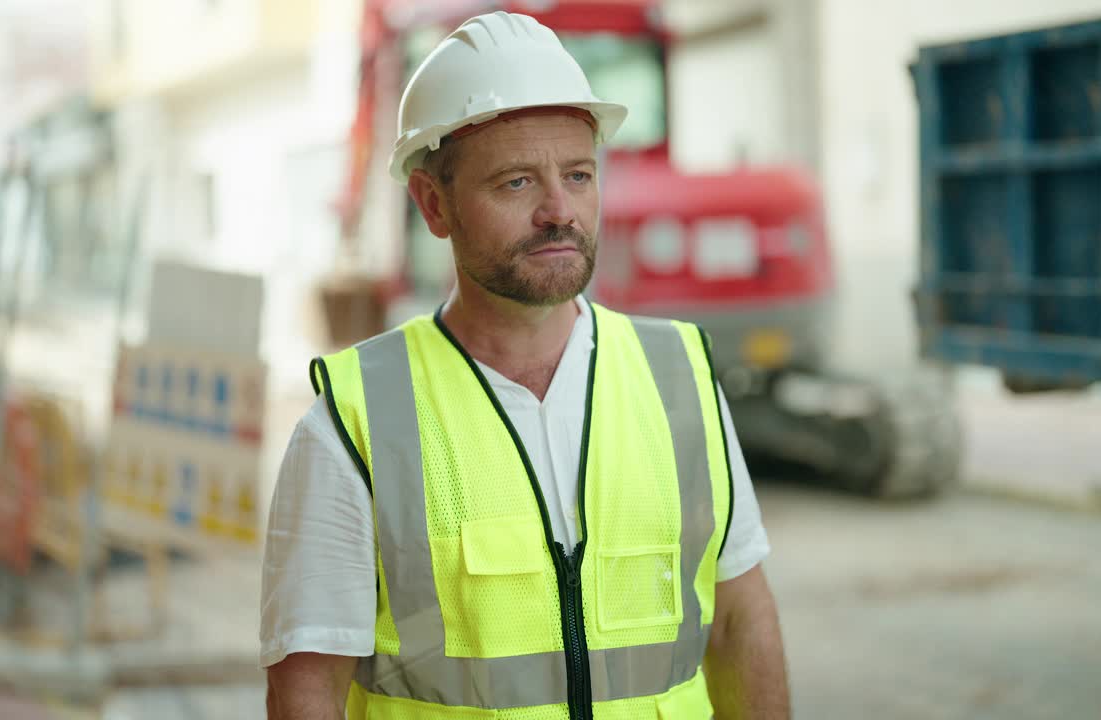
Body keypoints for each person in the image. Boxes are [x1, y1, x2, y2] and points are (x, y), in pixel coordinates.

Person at [261, 11, 789, 719]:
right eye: (516, 183)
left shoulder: (680, 379)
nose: (558, 210)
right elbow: (308, 691)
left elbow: (739, 622)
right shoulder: (355, 424)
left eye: (578, 175)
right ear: (433, 204)